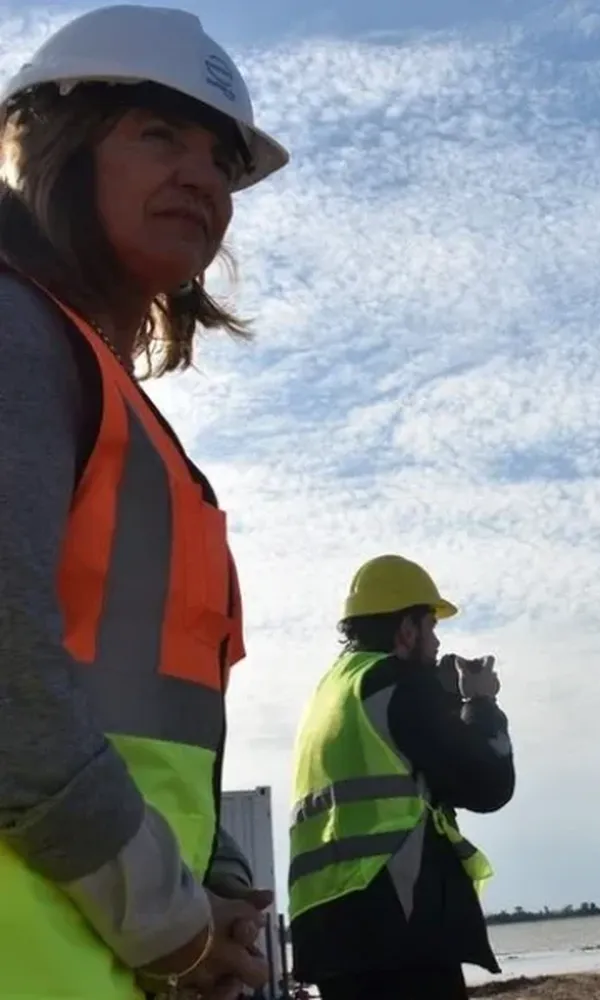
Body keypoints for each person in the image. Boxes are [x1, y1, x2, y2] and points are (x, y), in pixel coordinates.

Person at [0, 6, 291, 998]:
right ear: (55, 148)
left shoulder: (98, 388)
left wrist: (213, 876)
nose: (203, 176)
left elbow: (133, 716)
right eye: (159, 134)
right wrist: (175, 926)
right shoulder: (15, 336)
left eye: (221, 158)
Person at [286, 554, 517, 1000]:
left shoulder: (332, 691)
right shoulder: (399, 683)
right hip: (399, 927)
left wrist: (443, 698)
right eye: (431, 627)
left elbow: (400, 747)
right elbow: (487, 785)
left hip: (329, 930)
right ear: (406, 631)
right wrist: (481, 704)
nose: (435, 643)